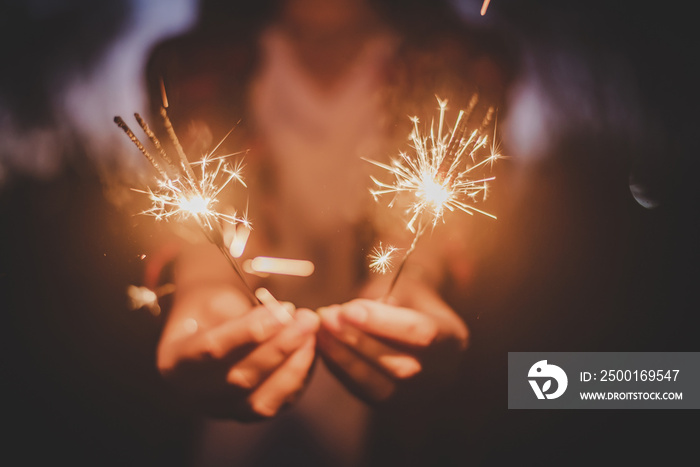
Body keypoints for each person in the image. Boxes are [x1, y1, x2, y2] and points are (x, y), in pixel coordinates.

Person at [146, 0, 509, 464]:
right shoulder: (194, 65)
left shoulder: (459, 64)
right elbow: (200, 198)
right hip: (236, 406)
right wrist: (206, 287)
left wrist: (412, 279)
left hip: (391, 429)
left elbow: (444, 210)